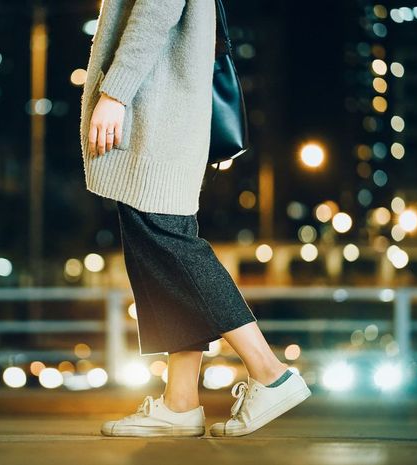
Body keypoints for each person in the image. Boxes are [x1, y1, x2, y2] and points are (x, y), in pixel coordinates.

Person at [79, 0, 311, 438]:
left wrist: (115, 92)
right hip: (165, 110)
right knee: (161, 257)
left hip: (155, 112)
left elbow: (155, 10)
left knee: (169, 244)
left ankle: (270, 372)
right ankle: (180, 403)